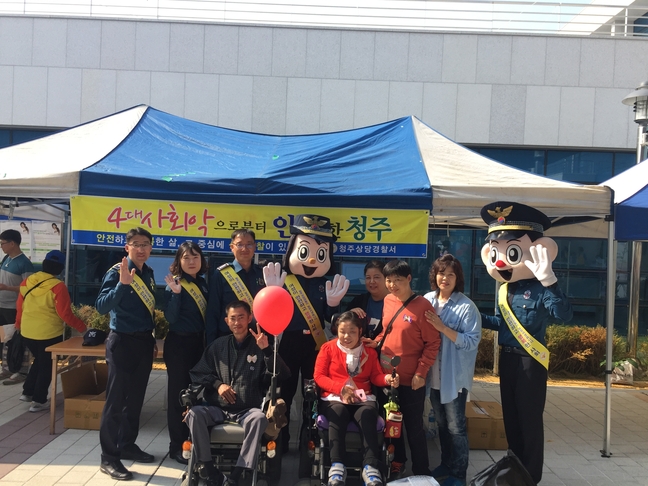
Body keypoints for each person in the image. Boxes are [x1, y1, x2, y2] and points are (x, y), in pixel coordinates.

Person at [479, 201, 573, 484]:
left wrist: (550, 282)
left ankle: (531, 476)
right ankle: (514, 469)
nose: (501, 261)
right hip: (508, 359)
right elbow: (501, 323)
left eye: (511, 251)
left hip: (530, 362)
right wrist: (472, 316)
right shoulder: (506, 289)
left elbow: (564, 315)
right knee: (511, 419)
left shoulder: (541, 287)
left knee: (529, 420)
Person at [263, 213, 349, 452]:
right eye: (305, 251)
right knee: (284, 392)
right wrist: (272, 294)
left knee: (312, 393)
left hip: (315, 345)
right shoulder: (282, 279)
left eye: (320, 254)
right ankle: (279, 440)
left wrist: (333, 306)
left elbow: (332, 322)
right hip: (288, 343)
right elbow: (270, 316)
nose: (312, 259)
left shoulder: (326, 284)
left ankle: (309, 441)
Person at [186, 300, 290, 486]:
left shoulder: (260, 345)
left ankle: (238, 474)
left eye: (241, 317)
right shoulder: (217, 346)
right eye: (233, 318)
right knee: (194, 414)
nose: (237, 322)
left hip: (247, 409)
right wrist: (218, 384)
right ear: (227, 321)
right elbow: (198, 372)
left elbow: (284, 374)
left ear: (250, 318)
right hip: (217, 408)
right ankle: (208, 469)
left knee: (259, 418)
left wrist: (267, 350)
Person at [366, 259, 440, 478]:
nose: (392, 285)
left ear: (409, 279)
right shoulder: (388, 300)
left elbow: (433, 343)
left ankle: (421, 470)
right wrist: (375, 341)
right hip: (387, 377)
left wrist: (421, 372)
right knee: (391, 424)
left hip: (411, 380)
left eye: (397, 280)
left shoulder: (423, 306)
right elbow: (387, 330)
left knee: (414, 428)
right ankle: (397, 462)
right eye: (389, 280)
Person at [95, 227, 157, 481]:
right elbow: (101, 307)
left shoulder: (149, 273)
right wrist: (122, 285)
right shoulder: (116, 272)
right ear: (127, 247)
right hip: (122, 342)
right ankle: (109, 458)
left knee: (135, 400)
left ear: (151, 248)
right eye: (136, 244)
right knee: (116, 402)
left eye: (145, 244)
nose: (141, 249)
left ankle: (127, 445)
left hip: (144, 342)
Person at [314, 311, 400, 486]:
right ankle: (337, 465)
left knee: (368, 413)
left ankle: (370, 467)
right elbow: (319, 376)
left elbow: (375, 376)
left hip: (363, 397)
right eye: (342, 331)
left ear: (360, 331)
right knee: (338, 412)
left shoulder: (369, 352)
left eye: (352, 332)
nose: (347, 336)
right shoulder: (328, 348)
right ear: (336, 331)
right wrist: (340, 389)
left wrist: (387, 379)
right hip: (335, 397)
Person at [423, 255, 481, 486]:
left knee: (456, 428)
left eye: (450, 275)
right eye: (441, 273)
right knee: (441, 424)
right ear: (434, 275)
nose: (445, 278)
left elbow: (472, 341)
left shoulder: (466, 307)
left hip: (453, 378)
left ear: (458, 279)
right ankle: (446, 464)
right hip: (432, 376)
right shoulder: (427, 300)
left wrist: (442, 328)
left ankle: (458, 474)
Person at [15, 250, 87, 412]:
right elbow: (65, 314)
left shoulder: (27, 282)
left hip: (27, 332)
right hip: (48, 334)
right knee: (46, 366)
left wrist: (18, 324)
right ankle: (39, 401)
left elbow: (20, 306)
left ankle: (28, 392)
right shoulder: (58, 287)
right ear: (60, 268)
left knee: (40, 361)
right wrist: (82, 327)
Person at [163, 242, 208, 465]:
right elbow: (170, 318)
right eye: (186, 258)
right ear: (178, 261)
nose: (191, 262)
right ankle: (176, 446)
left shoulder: (203, 283)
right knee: (178, 397)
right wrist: (176, 294)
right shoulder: (175, 284)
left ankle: (192, 441)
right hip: (179, 345)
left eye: (195, 257)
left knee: (196, 395)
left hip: (199, 344)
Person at [205, 229, 265, 344]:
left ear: (255, 247)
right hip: (227, 337)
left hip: (256, 337)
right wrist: (211, 344)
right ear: (232, 247)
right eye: (240, 244)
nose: (244, 249)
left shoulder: (262, 274)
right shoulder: (222, 274)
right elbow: (213, 311)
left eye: (249, 244)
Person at [0, 229, 34, 385]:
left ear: (12, 243)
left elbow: (29, 288)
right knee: (5, 339)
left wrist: (7, 288)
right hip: (2, 304)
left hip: (14, 307)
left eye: (3, 243)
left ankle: (20, 370)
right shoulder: (6, 258)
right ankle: (7, 368)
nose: (1, 246)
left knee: (16, 339)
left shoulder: (24, 263)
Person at [345, 260, 389, 339]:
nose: (372, 281)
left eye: (376, 277)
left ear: (386, 279)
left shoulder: (395, 302)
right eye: (368, 278)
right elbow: (340, 323)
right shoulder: (359, 301)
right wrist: (350, 314)